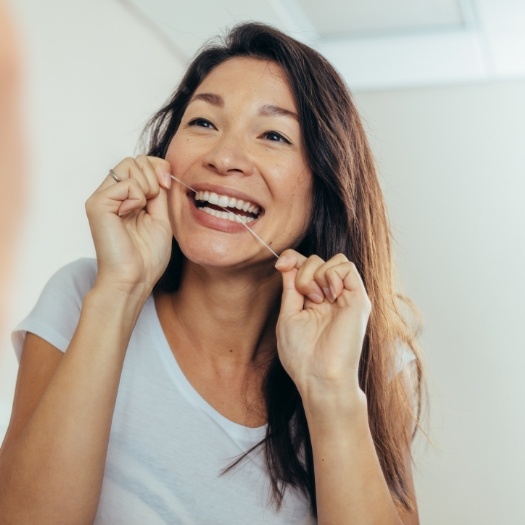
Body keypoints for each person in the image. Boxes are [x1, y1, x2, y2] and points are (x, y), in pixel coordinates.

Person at [0, 22, 424, 524]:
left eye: (273, 134)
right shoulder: (82, 295)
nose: (223, 158)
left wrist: (330, 389)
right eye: (203, 123)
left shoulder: (370, 355)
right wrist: (120, 291)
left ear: (325, 185)